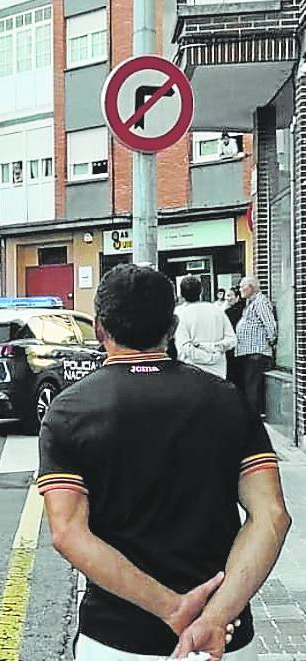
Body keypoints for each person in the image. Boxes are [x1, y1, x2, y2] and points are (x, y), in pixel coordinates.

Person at [39, 264, 290, 661]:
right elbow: (272, 516)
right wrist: (216, 615)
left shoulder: (70, 411)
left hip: (116, 639)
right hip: (222, 640)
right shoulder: (226, 399)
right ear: (171, 327)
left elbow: (68, 532)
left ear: (100, 327)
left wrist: (173, 608)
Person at [174, 275, 237, 378]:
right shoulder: (217, 311)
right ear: (201, 291)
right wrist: (214, 352)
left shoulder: (180, 314)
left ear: (181, 294)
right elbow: (232, 340)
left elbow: (184, 347)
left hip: (192, 371)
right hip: (218, 372)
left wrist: (206, 353)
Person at [235, 276, 277, 417]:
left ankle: (254, 416)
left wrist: (271, 341)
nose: (240, 289)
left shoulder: (260, 302)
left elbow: (270, 325)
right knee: (250, 385)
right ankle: (252, 414)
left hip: (258, 352)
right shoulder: (250, 303)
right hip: (250, 352)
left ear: (251, 287)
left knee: (253, 386)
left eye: (242, 286)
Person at [224, 286, 246, 387]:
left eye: (229, 296)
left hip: (233, 349)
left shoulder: (230, 312)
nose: (227, 298)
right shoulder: (244, 309)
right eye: (226, 296)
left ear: (237, 297)